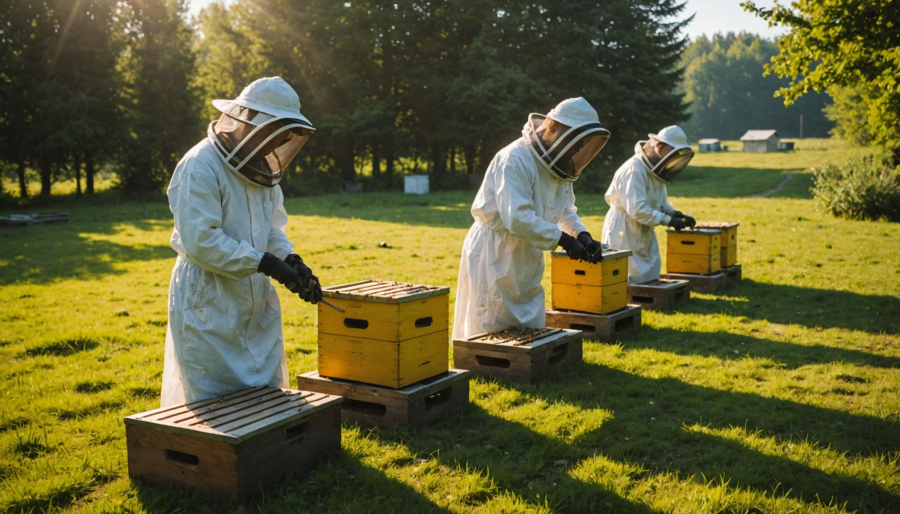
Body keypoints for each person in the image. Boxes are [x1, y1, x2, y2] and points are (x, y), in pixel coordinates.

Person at [161, 77, 323, 407]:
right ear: (247, 119)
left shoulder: (263, 174)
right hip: (209, 299)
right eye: (271, 133)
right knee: (215, 405)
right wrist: (265, 263)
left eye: (281, 137)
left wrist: (291, 261)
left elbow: (273, 229)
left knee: (265, 398)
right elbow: (201, 241)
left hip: (254, 298)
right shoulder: (200, 165)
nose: (272, 146)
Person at [453, 98, 611, 340]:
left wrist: (581, 235)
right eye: (574, 142)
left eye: (581, 145)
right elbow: (516, 218)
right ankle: (487, 369)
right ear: (554, 128)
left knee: (528, 321)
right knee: (491, 322)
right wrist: (565, 241)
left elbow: (566, 211)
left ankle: (526, 369)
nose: (577, 150)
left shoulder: (560, 169)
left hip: (527, 252)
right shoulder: (514, 159)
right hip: (495, 252)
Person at [601, 125, 696, 284]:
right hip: (623, 227)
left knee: (649, 270)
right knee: (626, 272)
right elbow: (637, 209)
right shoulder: (634, 170)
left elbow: (661, 201)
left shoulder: (656, 171)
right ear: (660, 146)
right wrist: (667, 220)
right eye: (672, 152)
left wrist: (674, 214)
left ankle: (646, 300)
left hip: (643, 226)